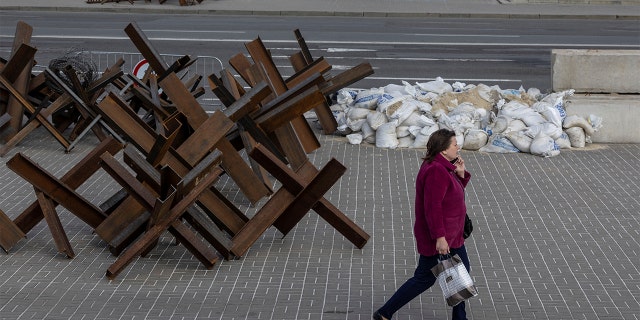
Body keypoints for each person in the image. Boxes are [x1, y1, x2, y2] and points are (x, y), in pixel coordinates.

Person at [373, 128, 472, 320]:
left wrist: (460, 174)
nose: (458, 147)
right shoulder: (436, 170)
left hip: (454, 236)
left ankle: (460, 318)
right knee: (423, 279)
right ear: (443, 149)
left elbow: (452, 196)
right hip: (442, 239)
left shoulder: (443, 167)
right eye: (454, 144)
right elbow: (432, 208)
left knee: (461, 274)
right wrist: (440, 238)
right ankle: (384, 313)